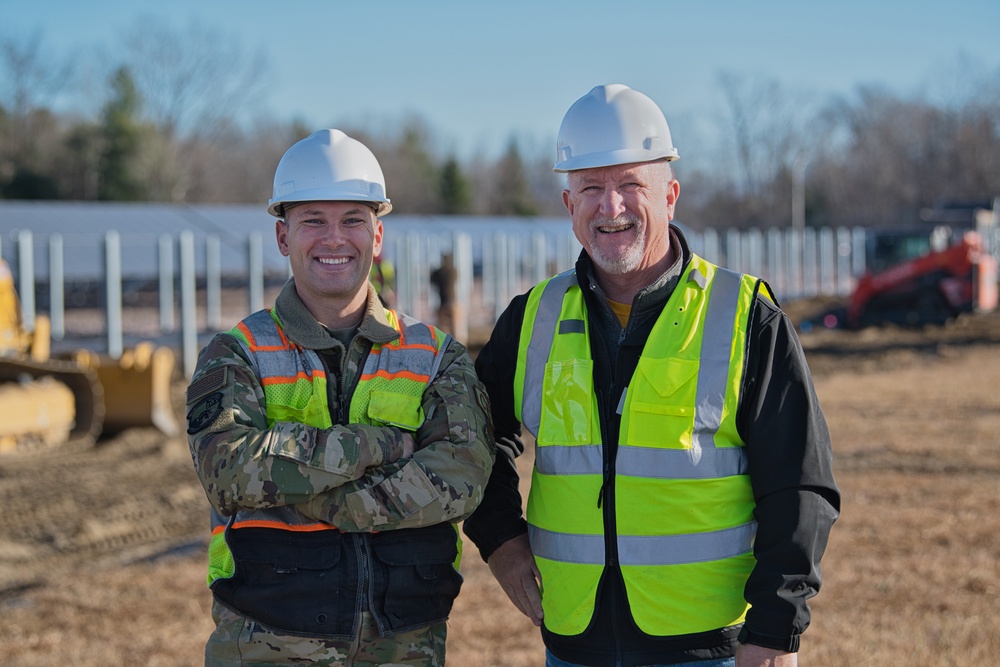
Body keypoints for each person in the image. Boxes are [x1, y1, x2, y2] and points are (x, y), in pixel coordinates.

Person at [462, 84, 840, 667]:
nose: (611, 208)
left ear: (670, 195)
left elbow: (799, 484)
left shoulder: (745, 317)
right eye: (591, 187)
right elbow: (471, 439)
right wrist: (501, 542)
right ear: (569, 206)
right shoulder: (532, 318)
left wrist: (775, 631)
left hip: (711, 650)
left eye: (631, 185)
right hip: (574, 647)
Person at [186, 129, 495, 667]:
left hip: (407, 647)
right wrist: (380, 444)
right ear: (283, 236)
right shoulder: (236, 353)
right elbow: (230, 470)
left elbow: (462, 478)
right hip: (266, 643)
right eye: (313, 221)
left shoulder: (437, 355)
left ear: (378, 236)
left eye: (353, 219)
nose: (335, 239)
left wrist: (328, 500)